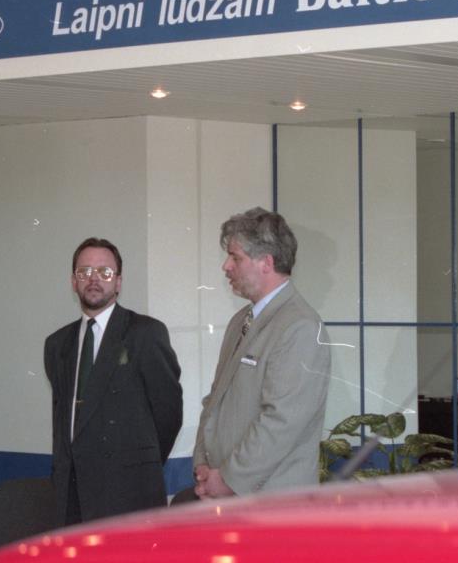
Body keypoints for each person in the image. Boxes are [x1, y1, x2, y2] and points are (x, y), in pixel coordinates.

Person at [193, 207, 330, 498]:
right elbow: (215, 400)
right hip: (229, 496)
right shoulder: (239, 322)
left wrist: (227, 480)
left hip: (271, 505)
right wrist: (203, 462)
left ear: (266, 262)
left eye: (235, 258)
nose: (226, 266)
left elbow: (281, 422)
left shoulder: (300, 327)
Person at [45, 237, 182, 525]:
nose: (93, 279)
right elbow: (64, 424)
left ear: (118, 282)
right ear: (73, 281)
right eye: (84, 271)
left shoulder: (145, 334)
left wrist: (138, 466)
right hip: (71, 500)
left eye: (104, 272)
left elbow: (168, 415)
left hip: (129, 497)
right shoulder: (57, 345)